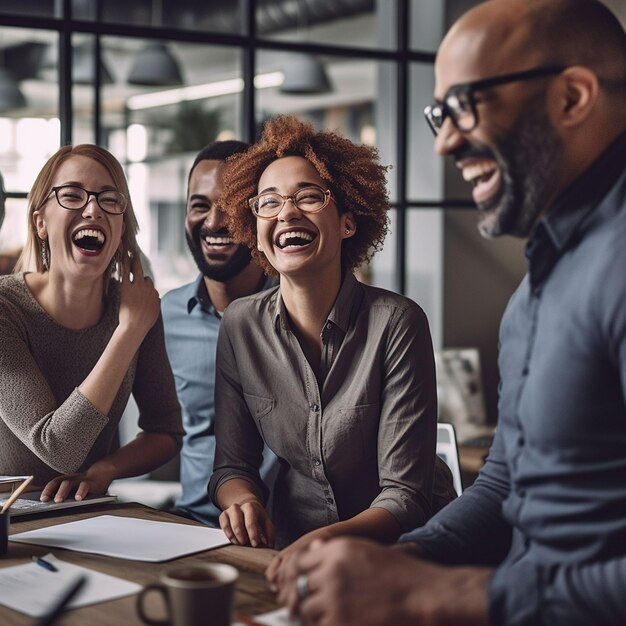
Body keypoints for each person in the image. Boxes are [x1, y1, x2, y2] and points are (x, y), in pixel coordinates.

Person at [273, 0, 626, 625]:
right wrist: (401, 563)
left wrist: (439, 594)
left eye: (465, 105)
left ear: (572, 97)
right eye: (440, 114)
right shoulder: (534, 294)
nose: (444, 143)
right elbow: (504, 486)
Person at [208, 115, 456, 578]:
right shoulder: (240, 325)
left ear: (346, 222)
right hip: (289, 554)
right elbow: (231, 466)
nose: (287, 213)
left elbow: (405, 495)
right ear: (254, 224)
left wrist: (317, 544)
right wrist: (242, 501)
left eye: (308, 196)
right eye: (269, 202)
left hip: (401, 559)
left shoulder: (397, 323)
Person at [0, 144, 183, 502]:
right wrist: (128, 332)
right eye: (72, 195)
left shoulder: (139, 307)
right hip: (11, 522)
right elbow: (56, 449)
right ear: (40, 222)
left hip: (89, 513)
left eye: (109, 199)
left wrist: (106, 470)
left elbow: (166, 432)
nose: (93, 208)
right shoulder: (6, 309)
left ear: (120, 226)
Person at [162, 140, 277, 527]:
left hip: (288, 534)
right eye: (199, 205)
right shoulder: (164, 316)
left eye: (230, 204)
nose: (213, 222)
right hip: (193, 526)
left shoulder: (300, 312)